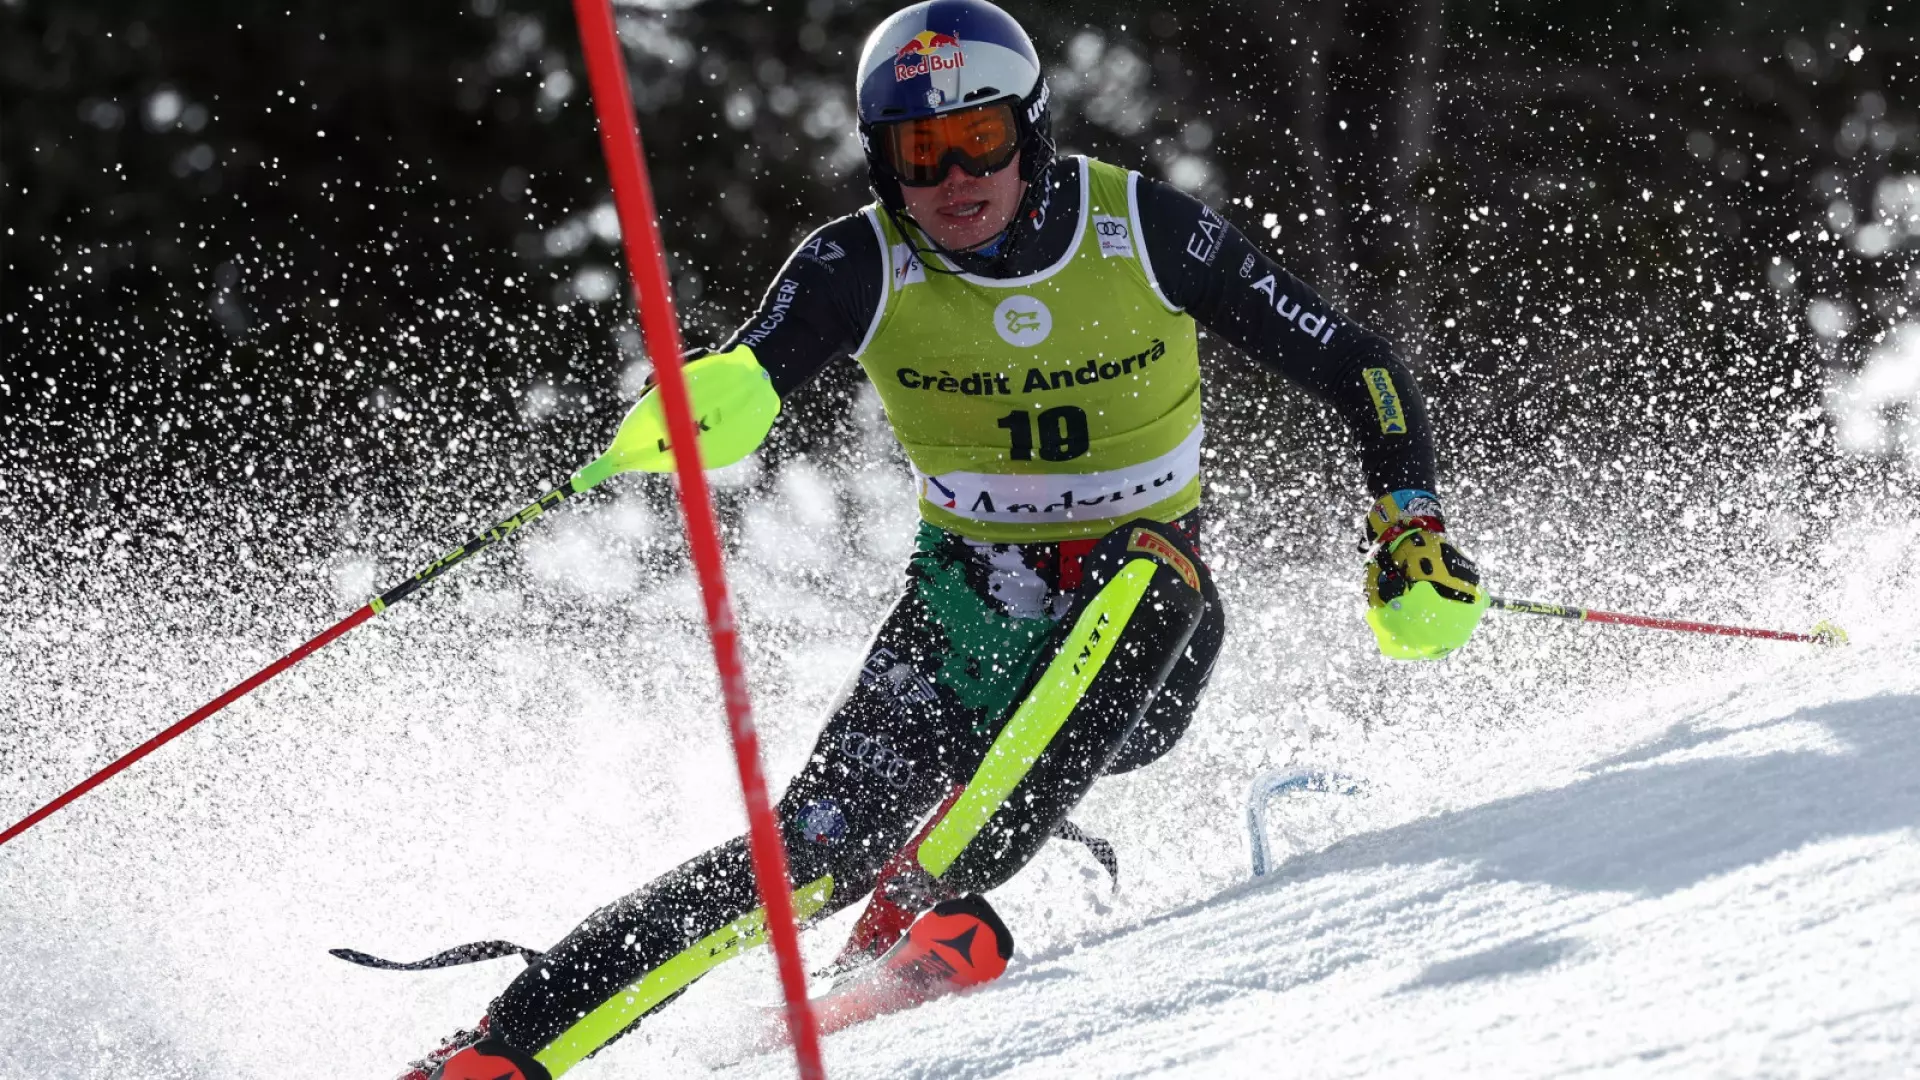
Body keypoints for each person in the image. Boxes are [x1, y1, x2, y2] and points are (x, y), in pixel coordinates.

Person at [406, 1, 1486, 1076]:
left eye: (982, 140)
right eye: (919, 155)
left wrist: (1409, 522)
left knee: (1146, 572)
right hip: (965, 622)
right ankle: (504, 1048)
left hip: (1145, 630)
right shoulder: (857, 263)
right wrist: (708, 400)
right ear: (883, 164)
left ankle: (926, 901)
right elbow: (751, 373)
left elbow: (1358, 365)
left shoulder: (1138, 226)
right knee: (807, 856)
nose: (955, 178)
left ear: (1034, 132)